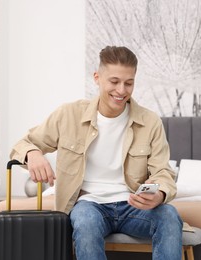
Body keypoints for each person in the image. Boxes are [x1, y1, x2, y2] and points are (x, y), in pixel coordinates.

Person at [10, 46, 183, 259]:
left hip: (132, 206)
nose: (121, 90)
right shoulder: (69, 114)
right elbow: (23, 144)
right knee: (85, 222)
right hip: (89, 204)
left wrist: (160, 194)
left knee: (169, 215)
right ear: (97, 77)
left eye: (129, 83)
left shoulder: (150, 122)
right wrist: (34, 154)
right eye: (114, 81)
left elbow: (163, 172)